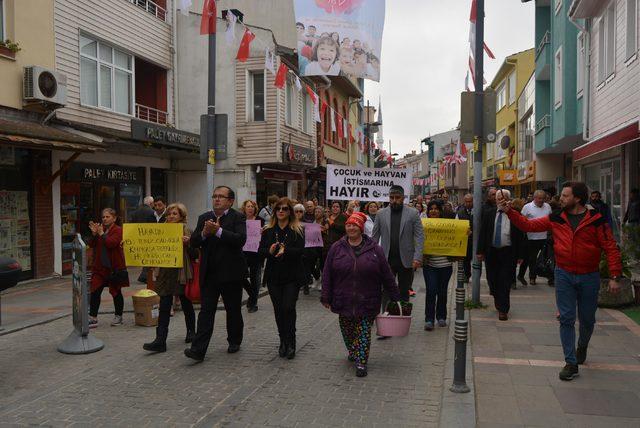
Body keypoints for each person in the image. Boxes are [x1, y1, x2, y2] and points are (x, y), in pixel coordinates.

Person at [501, 181, 622, 381]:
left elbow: (610, 247)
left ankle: (582, 345)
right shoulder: (556, 218)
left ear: (577, 198)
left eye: (565, 196)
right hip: (563, 274)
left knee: (587, 319)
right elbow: (529, 225)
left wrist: (615, 276)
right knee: (566, 318)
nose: (561, 199)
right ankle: (570, 362)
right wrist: (510, 212)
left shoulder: (597, 220)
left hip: (589, 276)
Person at [321, 212, 400, 377]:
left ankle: (361, 362)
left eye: (355, 225)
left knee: (364, 331)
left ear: (361, 228)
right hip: (343, 298)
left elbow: (387, 275)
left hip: (368, 299)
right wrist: (326, 296)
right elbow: (327, 273)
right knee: (348, 331)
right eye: (349, 224)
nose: (351, 227)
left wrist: (395, 296)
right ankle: (353, 350)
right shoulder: (337, 248)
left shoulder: (375, 249)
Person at [184, 186, 247, 361]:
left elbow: (240, 240)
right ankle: (198, 350)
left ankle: (234, 339)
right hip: (209, 274)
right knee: (206, 312)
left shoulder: (238, 217)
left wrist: (218, 231)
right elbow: (194, 242)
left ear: (230, 201)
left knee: (232, 309)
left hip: (231, 273)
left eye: (221, 196)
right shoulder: (205, 218)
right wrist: (204, 233)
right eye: (215, 196)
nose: (217, 199)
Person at [143, 203, 197, 352]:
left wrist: (188, 244)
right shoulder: (160, 231)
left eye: (175, 214)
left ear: (181, 216)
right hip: (165, 273)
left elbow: (196, 254)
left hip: (181, 272)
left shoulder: (187, 230)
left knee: (186, 303)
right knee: (165, 306)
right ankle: (160, 340)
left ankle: (191, 332)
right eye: (169, 214)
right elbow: (149, 247)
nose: (171, 216)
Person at [259, 197, 306, 359]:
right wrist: (269, 251)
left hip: (292, 276)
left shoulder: (298, 229)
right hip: (274, 276)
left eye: (284, 209)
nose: (280, 211)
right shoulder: (268, 230)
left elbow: (300, 251)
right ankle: (283, 341)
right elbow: (261, 251)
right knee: (279, 310)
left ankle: (291, 341)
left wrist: (286, 251)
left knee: (288, 308)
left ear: (289, 212)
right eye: (278, 208)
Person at [372, 185, 425, 317]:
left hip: (406, 259)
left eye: (397, 198)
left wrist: (417, 257)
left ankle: (403, 316)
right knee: (386, 290)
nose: (394, 200)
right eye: (391, 198)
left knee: (404, 290)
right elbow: (374, 237)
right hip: (386, 258)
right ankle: (385, 315)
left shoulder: (412, 213)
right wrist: (371, 257)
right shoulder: (381, 214)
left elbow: (419, 236)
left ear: (403, 198)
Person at [477, 189, 525, 321]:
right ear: (496, 200)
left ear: (508, 200)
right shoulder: (489, 214)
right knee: (492, 280)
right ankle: (498, 299)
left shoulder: (515, 215)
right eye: (499, 199)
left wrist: (520, 255)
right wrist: (480, 251)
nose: (501, 201)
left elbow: (521, 236)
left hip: (508, 252)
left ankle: (503, 310)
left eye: (504, 199)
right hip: (491, 252)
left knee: (504, 281)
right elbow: (483, 233)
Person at [88, 208, 129, 328]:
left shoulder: (118, 230)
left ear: (114, 218)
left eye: (107, 217)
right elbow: (92, 244)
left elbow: (112, 243)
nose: (104, 219)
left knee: (116, 291)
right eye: (103, 217)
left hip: (114, 267)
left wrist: (101, 234)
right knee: (95, 290)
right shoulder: (102, 230)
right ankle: (93, 317)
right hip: (100, 267)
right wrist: (95, 234)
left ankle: (118, 316)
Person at [422, 200, 455, 331]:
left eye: (436, 209)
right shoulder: (423, 224)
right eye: (431, 209)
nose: (433, 211)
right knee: (431, 290)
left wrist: (465, 234)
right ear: (428, 211)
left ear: (440, 211)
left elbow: (458, 237)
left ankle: (441, 316)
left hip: (445, 265)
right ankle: (429, 319)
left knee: (442, 292)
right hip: (430, 265)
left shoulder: (448, 225)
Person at [519, 190, 552, 286]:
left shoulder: (548, 206)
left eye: (543, 198)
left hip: (545, 237)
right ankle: (532, 277)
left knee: (547, 258)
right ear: (534, 198)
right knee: (532, 259)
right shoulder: (527, 207)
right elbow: (522, 221)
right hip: (531, 238)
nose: (541, 200)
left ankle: (550, 277)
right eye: (539, 198)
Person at [241, 200, 264, 313]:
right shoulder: (240, 220)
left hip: (256, 252)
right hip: (243, 252)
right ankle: (252, 294)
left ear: (255, 208)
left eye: (252, 206)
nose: (250, 208)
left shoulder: (260, 220)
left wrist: (262, 232)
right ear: (244, 208)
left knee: (255, 279)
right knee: (241, 276)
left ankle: (253, 303)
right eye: (248, 206)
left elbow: (265, 237)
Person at [130, 195, 156, 283]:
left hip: (138, 238)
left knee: (145, 257)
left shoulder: (135, 212)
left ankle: (144, 275)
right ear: (151, 203)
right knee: (149, 256)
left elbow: (131, 225)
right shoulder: (152, 212)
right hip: (149, 238)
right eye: (153, 204)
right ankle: (145, 276)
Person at [455, 193, 474, 283]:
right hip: (466, 241)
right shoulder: (460, 213)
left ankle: (477, 276)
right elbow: (456, 226)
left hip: (476, 240)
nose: (468, 203)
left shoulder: (478, 210)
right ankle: (467, 275)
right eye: (466, 202)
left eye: (470, 201)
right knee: (466, 260)